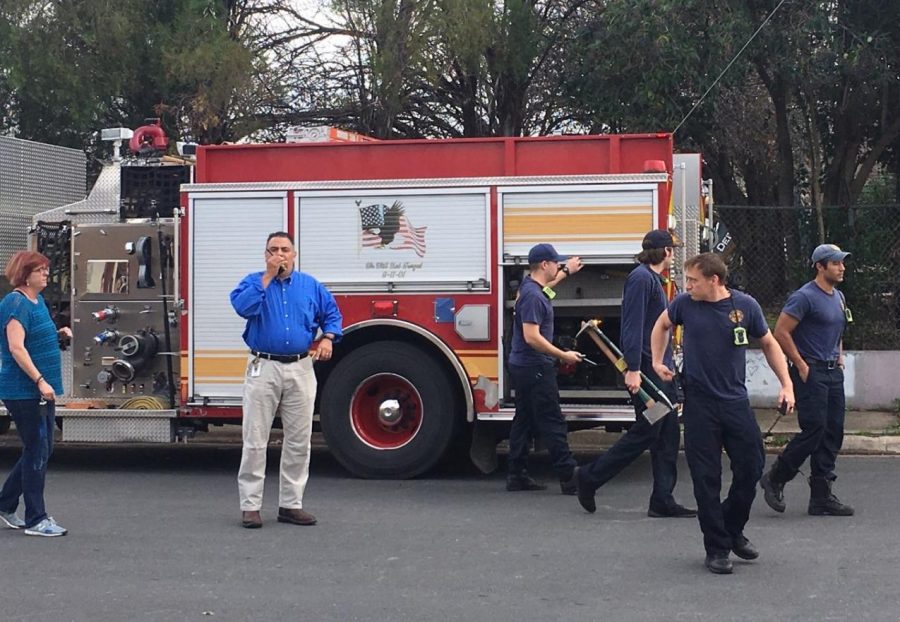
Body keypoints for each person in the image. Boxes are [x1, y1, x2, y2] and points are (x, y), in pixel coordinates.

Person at [651, 253, 794, 575]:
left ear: (714, 280)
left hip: (734, 402)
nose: (687, 286)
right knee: (706, 479)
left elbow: (770, 344)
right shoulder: (684, 305)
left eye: (693, 281)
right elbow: (661, 325)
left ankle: (731, 529)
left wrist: (786, 385)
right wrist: (656, 361)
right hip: (699, 404)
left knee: (752, 466)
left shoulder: (745, 306)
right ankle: (716, 548)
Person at [575, 230, 695, 518]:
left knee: (666, 433)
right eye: (672, 249)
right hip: (646, 370)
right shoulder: (641, 279)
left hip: (657, 369)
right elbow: (632, 325)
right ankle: (590, 477)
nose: (674, 254)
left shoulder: (653, 279)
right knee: (647, 430)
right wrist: (633, 369)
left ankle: (662, 499)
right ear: (664, 252)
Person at [230, 232, 343, 529]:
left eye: (285, 249)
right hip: (263, 365)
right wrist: (268, 276)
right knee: (255, 438)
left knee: (299, 439)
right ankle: (250, 505)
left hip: (300, 367)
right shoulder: (254, 282)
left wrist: (328, 338)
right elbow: (242, 307)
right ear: (265, 254)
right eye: (273, 250)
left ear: (294, 254)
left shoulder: (310, 286)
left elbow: (331, 313)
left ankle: (291, 504)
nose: (279, 255)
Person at [761, 244, 854, 516]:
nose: (841, 267)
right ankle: (776, 477)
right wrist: (800, 365)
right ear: (820, 266)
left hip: (832, 372)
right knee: (814, 430)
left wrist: (839, 357)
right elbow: (781, 332)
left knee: (833, 431)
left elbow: (837, 330)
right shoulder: (804, 297)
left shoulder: (838, 297)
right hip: (810, 371)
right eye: (835, 263)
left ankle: (821, 497)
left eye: (842, 263)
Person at [0, 251, 71, 537]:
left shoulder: (36, 300)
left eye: (46, 270)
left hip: (40, 390)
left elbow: (34, 338)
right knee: (37, 450)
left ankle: (5, 503)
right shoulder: (15, 303)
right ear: (24, 274)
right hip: (24, 390)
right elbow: (16, 347)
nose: (46, 274)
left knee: (41, 449)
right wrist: (40, 380)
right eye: (40, 270)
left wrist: (58, 335)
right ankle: (36, 518)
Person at [506, 243, 584, 493]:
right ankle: (568, 476)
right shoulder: (532, 296)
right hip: (535, 367)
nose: (558, 266)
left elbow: (545, 290)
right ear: (544, 264)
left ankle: (516, 475)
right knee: (552, 420)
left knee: (524, 419)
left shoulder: (530, 289)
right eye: (556, 263)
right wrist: (563, 355)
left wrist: (567, 273)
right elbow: (531, 336)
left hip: (523, 366)